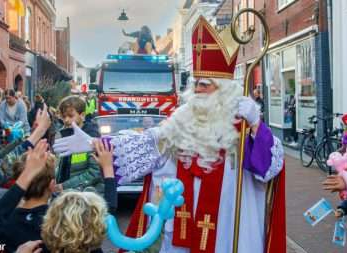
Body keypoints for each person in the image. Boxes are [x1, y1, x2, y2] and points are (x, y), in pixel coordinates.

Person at [54, 17, 285, 253]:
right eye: (196, 84)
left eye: (205, 84)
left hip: (229, 229)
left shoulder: (243, 128)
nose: (197, 90)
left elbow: (267, 168)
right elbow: (144, 143)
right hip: (183, 229)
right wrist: (93, 143)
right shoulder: (181, 123)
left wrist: (256, 125)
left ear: (224, 90)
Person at [55, 96, 102, 193]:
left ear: (82, 115)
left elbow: (95, 173)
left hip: (87, 196)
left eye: (71, 116)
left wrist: (64, 186)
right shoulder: (64, 135)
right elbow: (61, 167)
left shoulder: (91, 138)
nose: (66, 120)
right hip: (68, 194)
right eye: (64, 116)